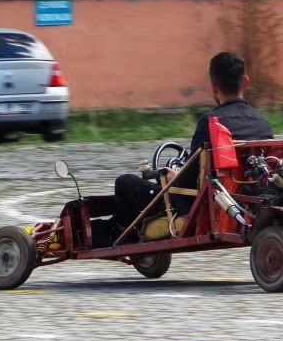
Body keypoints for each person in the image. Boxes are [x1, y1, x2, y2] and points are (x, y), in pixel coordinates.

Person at [104, 51, 273, 244]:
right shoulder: (263, 122)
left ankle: (122, 236)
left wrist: (172, 177)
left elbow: (188, 182)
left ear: (213, 86)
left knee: (125, 182)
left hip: (201, 205)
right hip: (251, 200)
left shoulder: (211, 123)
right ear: (245, 82)